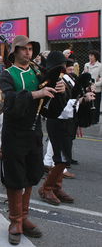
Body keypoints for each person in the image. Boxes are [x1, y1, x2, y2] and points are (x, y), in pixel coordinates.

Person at [0, 35, 66, 245]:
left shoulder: (38, 72)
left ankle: (24, 217)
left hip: (34, 132)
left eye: (30, 49)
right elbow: (7, 102)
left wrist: (61, 90)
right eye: (23, 49)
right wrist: (36, 93)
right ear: (15, 52)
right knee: (14, 177)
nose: (28, 52)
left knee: (30, 175)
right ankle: (15, 221)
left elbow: (50, 106)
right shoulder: (6, 75)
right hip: (14, 133)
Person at [39, 53, 95, 206]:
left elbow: (72, 99)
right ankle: (46, 188)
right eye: (65, 65)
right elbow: (59, 104)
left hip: (68, 120)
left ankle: (56, 187)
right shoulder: (55, 80)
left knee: (65, 159)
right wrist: (78, 97)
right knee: (61, 159)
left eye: (69, 65)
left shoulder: (68, 79)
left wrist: (83, 97)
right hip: (57, 121)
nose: (69, 67)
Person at [82, 50, 101, 124]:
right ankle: (88, 119)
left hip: (96, 88)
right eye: (89, 55)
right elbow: (83, 75)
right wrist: (84, 73)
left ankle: (95, 120)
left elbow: (101, 78)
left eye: (91, 55)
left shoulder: (100, 66)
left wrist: (95, 84)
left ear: (96, 57)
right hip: (87, 88)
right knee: (87, 104)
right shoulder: (86, 64)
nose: (90, 57)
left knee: (95, 104)